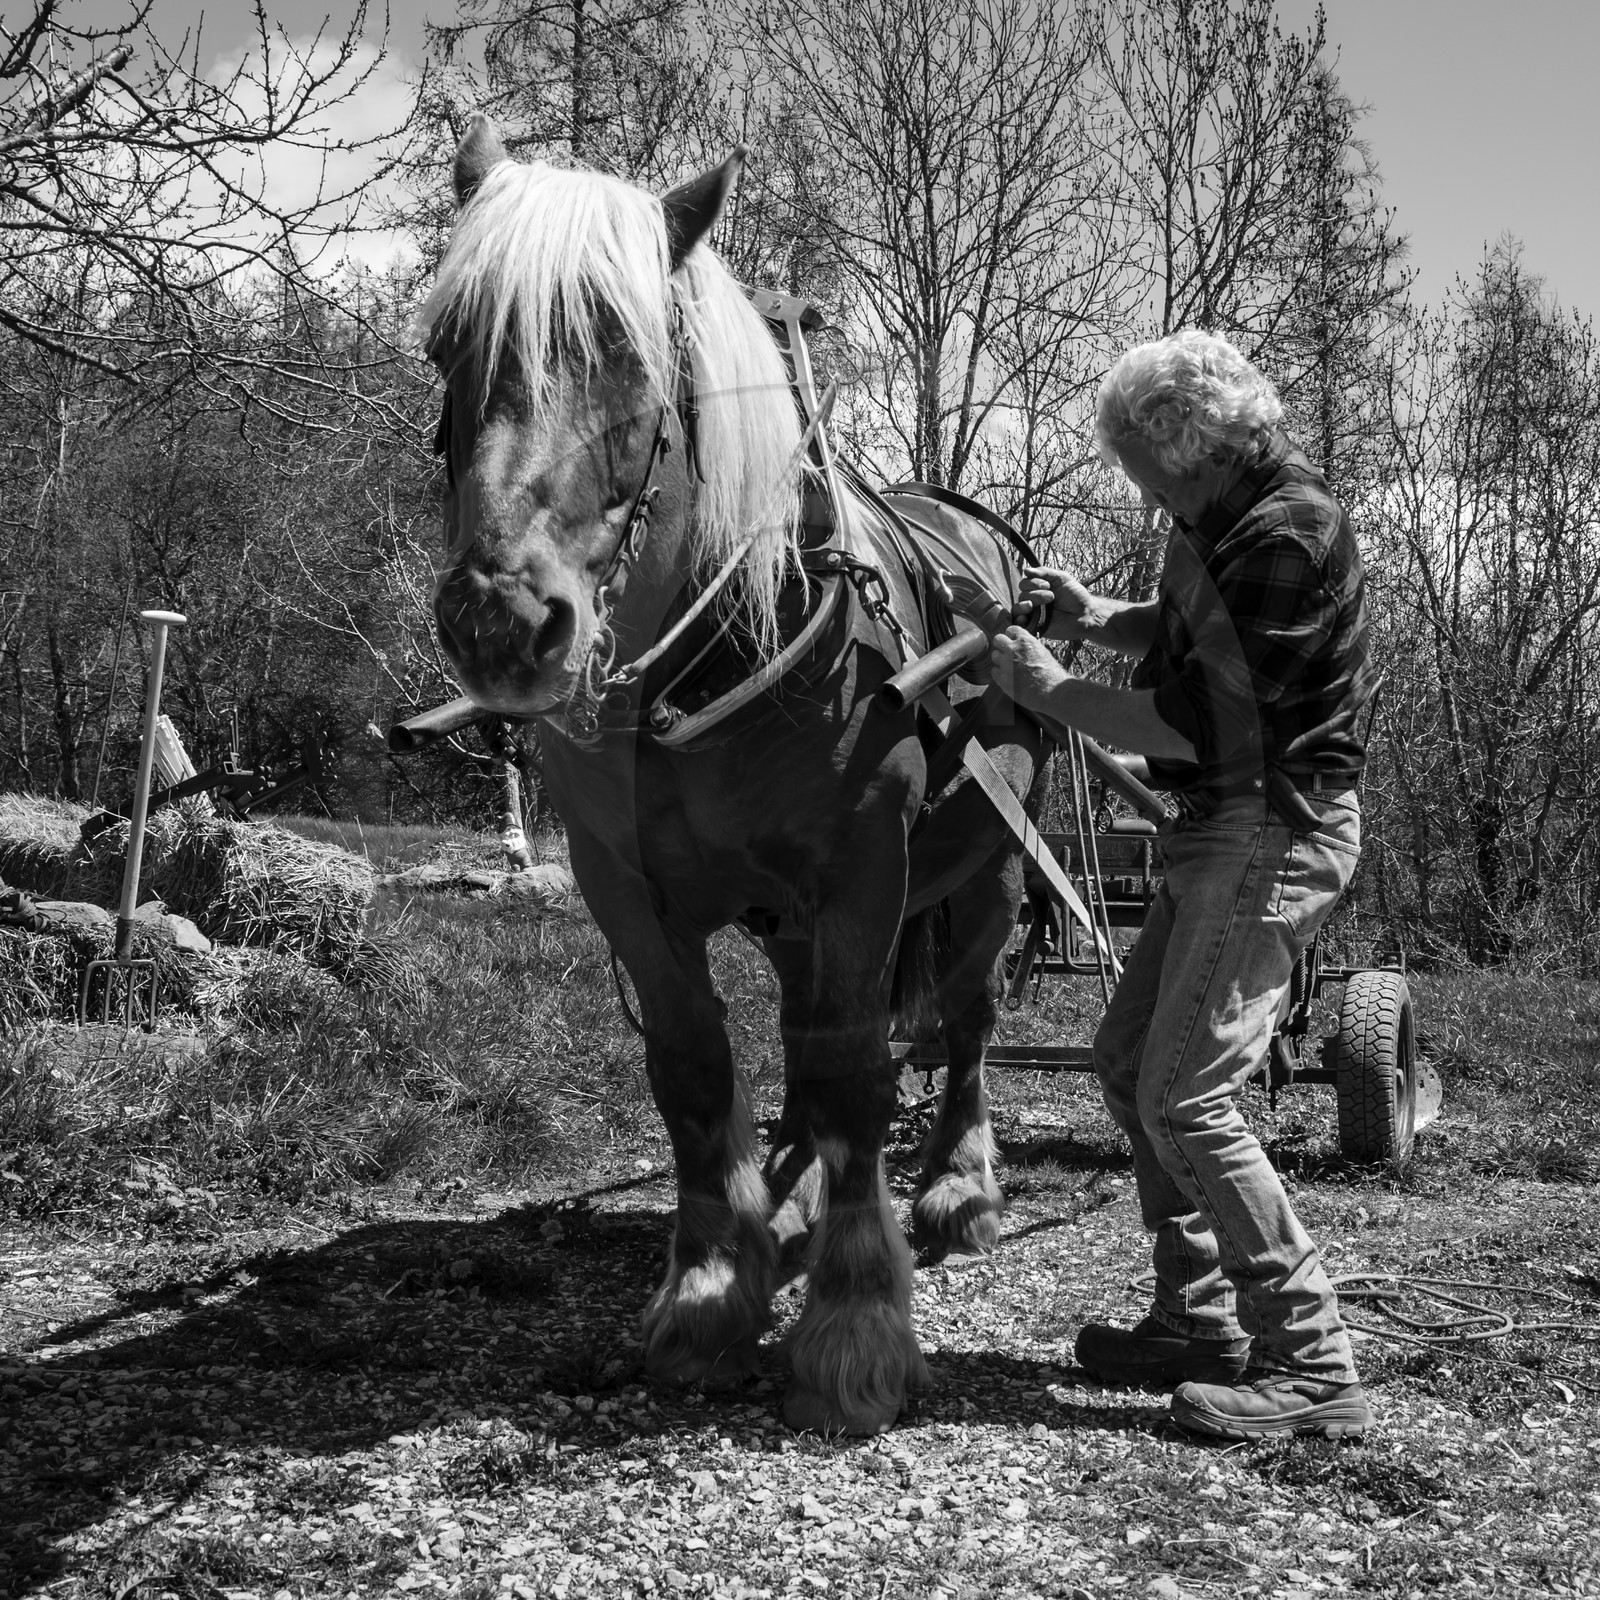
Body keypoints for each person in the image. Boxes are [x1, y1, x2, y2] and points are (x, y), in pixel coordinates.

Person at [988, 329, 1378, 1440]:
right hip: (1225, 825)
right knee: (1127, 1062)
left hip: (1271, 828)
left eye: (1143, 467)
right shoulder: (1223, 520)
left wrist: (1052, 687)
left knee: (1185, 1093)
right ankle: (1198, 1322)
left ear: (1193, 447)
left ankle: (1312, 1366)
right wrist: (1090, 618)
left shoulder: (1286, 535)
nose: (1140, 488)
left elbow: (1188, 720)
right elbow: (1187, 637)